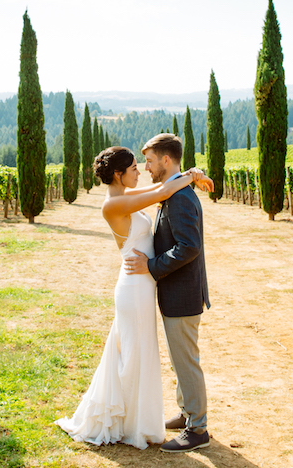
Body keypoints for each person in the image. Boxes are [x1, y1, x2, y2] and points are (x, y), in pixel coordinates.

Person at [56, 146, 211, 450]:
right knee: (134, 356)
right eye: (134, 169)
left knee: (136, 354)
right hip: (134, 287)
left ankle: (137, 418)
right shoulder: (112, 205)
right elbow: (162, 191)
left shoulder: (125, 197)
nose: (140, 172)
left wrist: (190, 175)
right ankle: (133, 424)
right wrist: (192, 176)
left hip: (142, 285)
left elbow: (162, 187)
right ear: (118, 174)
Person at [124, 133, 211, 453]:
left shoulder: (181, 197)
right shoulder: (176, 190)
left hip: (183, 294)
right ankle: (188, 412)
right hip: (176, 293)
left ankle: (198, 428)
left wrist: (152, 266)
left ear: (165, 160)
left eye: (148, 161)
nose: (146, 167)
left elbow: (189, 247)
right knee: (179, 359)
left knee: (187, 361)